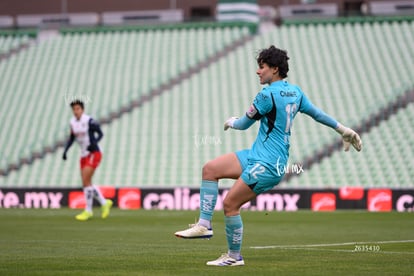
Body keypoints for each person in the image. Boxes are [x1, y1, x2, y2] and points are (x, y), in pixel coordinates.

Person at [174, 46, 362, 266]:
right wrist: (344, 130)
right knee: (211, 169)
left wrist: (231, 121)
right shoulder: (296, 92)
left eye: (261, 67)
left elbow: (244, 124)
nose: (257, 71)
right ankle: (204, 225)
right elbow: (318, 114)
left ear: (274, 69)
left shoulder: (267, 94)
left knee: (230, 205)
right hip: (258, 156)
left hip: (268, 164)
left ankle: (234, 257)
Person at [63, 100, 112, 221]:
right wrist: (66, 150)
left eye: (78, 109)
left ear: (82, 109)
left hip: (94, 153)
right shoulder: (73, 122)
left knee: (85, 181)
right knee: (87, 182)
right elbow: (72, 138)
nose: (76, 111)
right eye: (74, 109)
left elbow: (100, 133)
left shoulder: (89, 121)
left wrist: (94, 143)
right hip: (83, 154)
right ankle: (104, 203)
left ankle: (88, 210)